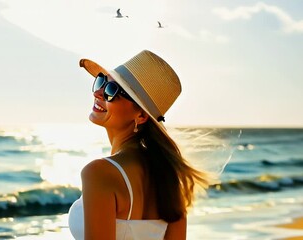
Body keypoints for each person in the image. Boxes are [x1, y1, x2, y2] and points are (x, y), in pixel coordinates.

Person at [68, 50, 210, 240]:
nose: (98, 92)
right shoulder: (168, 177)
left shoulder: (99, 172)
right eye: (101, 81)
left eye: (111, 90)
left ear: (141, 116)